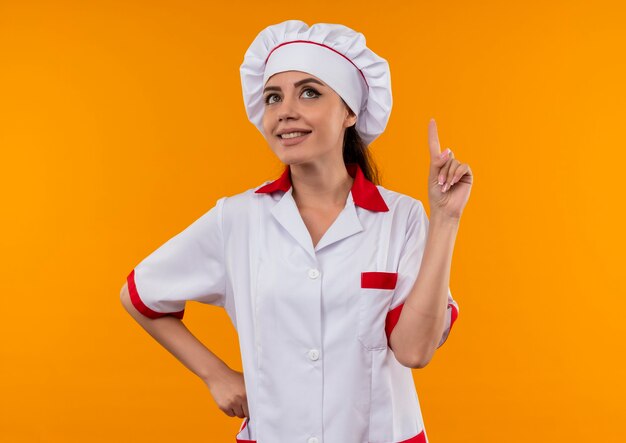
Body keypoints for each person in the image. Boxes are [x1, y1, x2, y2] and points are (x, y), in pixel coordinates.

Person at [120, 20, 473, 443]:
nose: (285, 110)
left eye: (309, 92)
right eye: (273, 97)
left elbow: (415, 351)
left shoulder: (402, 217)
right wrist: (216, 375)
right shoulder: (238, 219)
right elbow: (139, 294)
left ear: (349, 112)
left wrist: (446, 219)